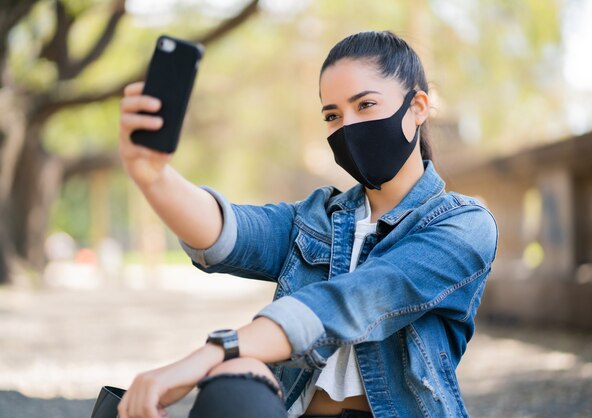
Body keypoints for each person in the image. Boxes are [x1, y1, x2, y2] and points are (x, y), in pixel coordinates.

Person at [115, 30, 498, 418]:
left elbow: (355, 300)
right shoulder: (317, 218)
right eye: (333, 115)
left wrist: (213, 352)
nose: (347, 126)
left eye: (365, 105)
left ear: (417, 106)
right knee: (238, 374)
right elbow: (227, 233)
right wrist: (154, 177)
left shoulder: (463, 225)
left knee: (232, 359)